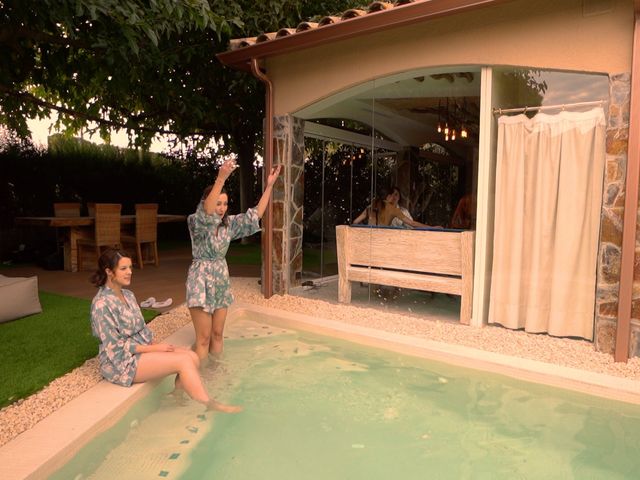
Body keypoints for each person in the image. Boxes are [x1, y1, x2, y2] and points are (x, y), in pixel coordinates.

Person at [89, 248, 241, 413]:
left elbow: (141, 329)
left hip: (141, 351)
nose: (130, 272)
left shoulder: (128, 295)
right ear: (109, 272)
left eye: (130, 267)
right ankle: (209, 404)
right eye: (123, 269)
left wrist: (155, 346)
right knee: (183, 362)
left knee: (192, 356)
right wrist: (155, 349)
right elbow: (116, 347)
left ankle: (176, 395)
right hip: (121, 362)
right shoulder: (101, 305)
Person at [187, 158, 282, 362]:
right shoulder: (196, 222)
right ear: (206, 203)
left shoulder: (229, 225)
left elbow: (255, 214)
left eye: (225, 204)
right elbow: (206, 213)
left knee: (218, 334)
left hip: (221, 278)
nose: (221, 208)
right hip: (200, 280)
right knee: (203, 339)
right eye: (217, 203)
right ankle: (196, 379)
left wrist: (269, 186)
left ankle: (216, 375)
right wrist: (221, 177)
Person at [352, 186, 429, 228]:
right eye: (392, 195)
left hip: (369, 240)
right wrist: (432, 227)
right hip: (382, 242)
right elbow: (413, 224)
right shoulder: (393, 209)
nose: (393, 197)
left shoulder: (370, 207)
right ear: (389, 196)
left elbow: (355, 222)